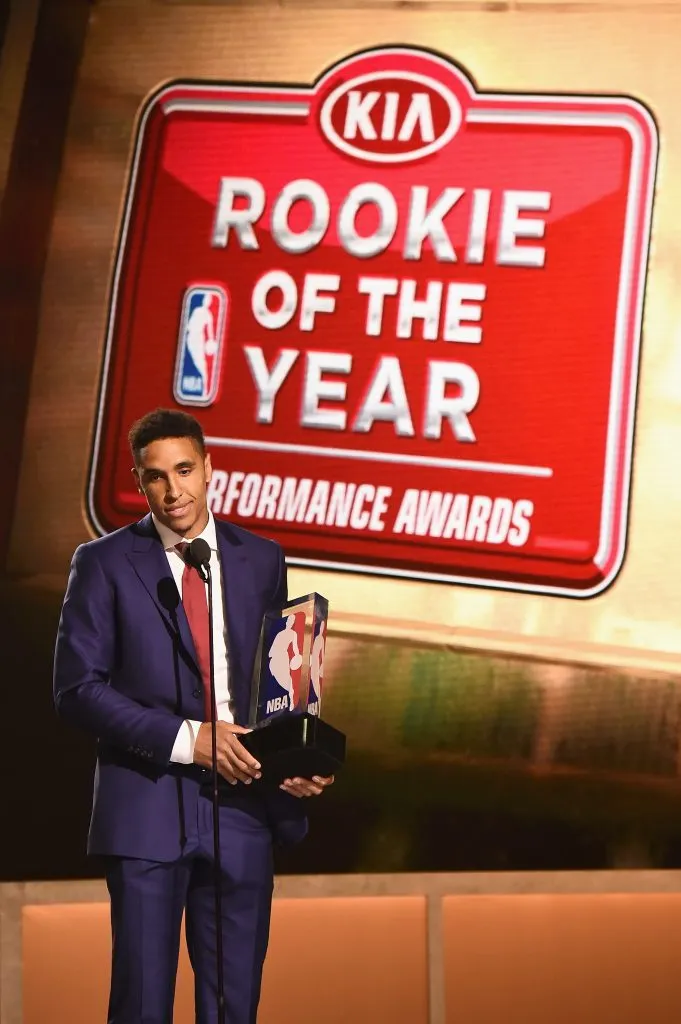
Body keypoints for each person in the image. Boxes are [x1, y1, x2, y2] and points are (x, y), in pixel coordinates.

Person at [53, 408, 334, 1024]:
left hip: (243, 803)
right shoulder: (102, 563)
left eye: (185, 470)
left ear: (209, 469)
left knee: (235, 1006)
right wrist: (187, 739)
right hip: (148, 802)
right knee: (143, 1003)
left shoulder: (260, 557)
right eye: (156, 477)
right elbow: (77, 688)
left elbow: (276, 683)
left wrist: (297, 759)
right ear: (139, 482)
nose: (173, 489)